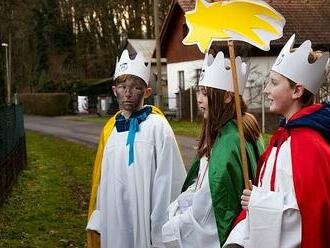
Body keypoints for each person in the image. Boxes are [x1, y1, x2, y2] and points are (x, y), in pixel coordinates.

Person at [224, 34, 330, 248]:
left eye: (273, 83)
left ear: (297, 91)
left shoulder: (311, 145)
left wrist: (258, 201)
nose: (265, 90)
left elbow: (311, 214)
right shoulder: (279, 140)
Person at [162, 51, 264, 248]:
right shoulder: (233, 129)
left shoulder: (232, 139)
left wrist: (175, 223)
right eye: (199, 91)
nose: (199, 99)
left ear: (226, 96)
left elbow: (212, 204)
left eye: (205, 93)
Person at [86, 50, 187, 248]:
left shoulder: (158, 127)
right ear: (115, 91)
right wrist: (101, 216)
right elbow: (103, 180)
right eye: (123, 87)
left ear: (147, 92)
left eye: (136, 88)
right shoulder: (111, 132)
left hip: (146, 222)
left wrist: (159, 229)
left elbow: (168, 180)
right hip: (115, 221)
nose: (128, 93)